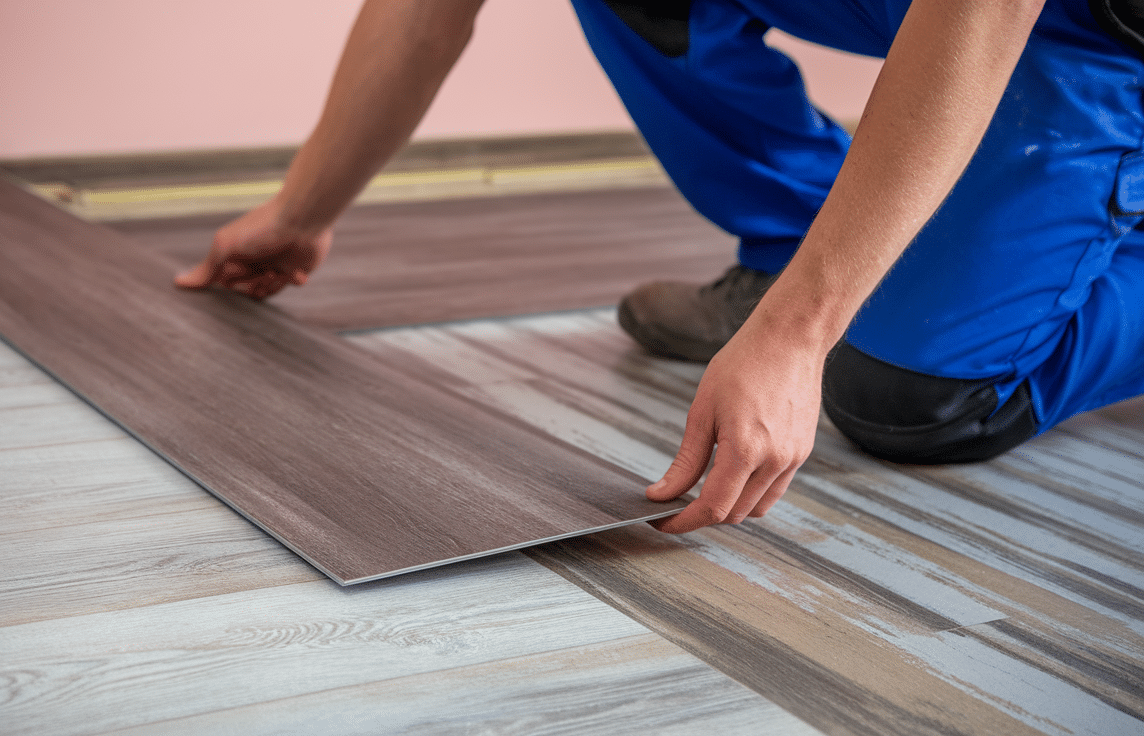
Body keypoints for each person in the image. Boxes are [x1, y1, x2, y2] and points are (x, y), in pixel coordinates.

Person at [176, 0, 1144, 533]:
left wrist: (802, 333)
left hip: (1088, 25)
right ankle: (789, 241)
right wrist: (298, 214)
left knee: (910, 398)